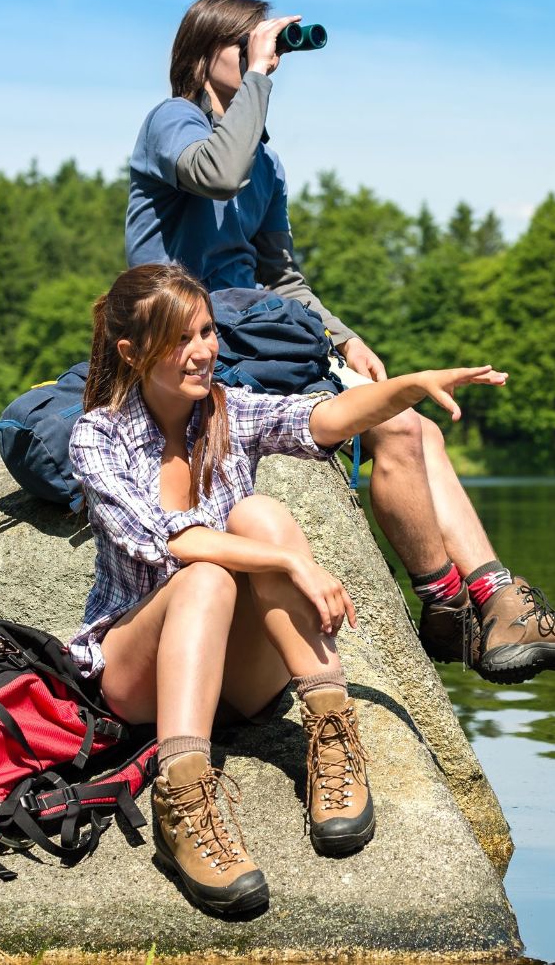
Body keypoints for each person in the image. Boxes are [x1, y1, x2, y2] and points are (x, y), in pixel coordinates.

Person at [125, 0, 555, 683]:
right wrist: (261, 80)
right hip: (190, 347)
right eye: (249, 48)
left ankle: (495, 600)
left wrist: (343, 338)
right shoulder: (171, 123)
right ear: (204, 54)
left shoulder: (264, 163)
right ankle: (450, 606)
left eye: (265, 51)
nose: (264, 61)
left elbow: (282, 275)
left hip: (259, 341)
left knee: (416, 427)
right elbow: (216, 173)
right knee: (396, 429)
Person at [69, 263, 507, 914]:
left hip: (239, 682)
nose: (202, 351)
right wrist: (293, 565)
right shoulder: (97, 437)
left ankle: (332, 732)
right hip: (142, 681)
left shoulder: (227, 410)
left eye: (208, 331)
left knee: (259, 515)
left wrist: (408, 386)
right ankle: (183, 795)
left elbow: (325, 418)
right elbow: (170, 542)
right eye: (177, 337)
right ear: (130, 351)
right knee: (208, 573)